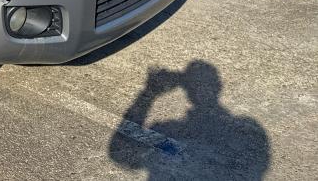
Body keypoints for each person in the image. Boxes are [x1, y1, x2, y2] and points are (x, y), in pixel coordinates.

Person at [110, 61, 269, 180]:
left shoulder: (167, 129)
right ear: (219, 86)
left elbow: (119, 153)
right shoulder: (250, 130)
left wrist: (149, 93)